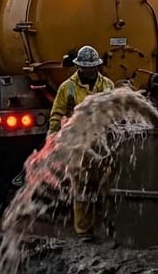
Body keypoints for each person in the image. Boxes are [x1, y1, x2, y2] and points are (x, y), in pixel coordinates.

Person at [48, 45, 115, 241]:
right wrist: (53, 138)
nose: (90, 70)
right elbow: (57, 114)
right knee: (82, 187)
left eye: (93, 67)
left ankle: (105, 226)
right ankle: (84, 231)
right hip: (78, 144)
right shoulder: (67, 88)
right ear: (79, 67)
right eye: (86, 67)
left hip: (103, 141)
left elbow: (115, 110)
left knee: (105, 185)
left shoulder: (107, 85)